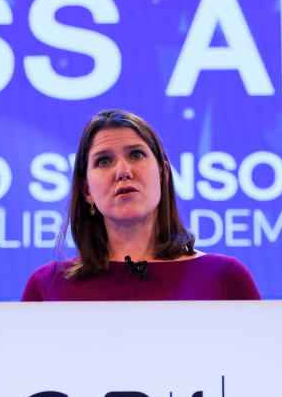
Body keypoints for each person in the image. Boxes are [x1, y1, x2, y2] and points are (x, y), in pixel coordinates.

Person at [21, 109, 261, 301]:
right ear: (86, 190)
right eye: (104, 161)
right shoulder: (47, 285)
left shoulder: (223, 277)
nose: (123, 171)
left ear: (163, 173)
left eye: (136, 155)